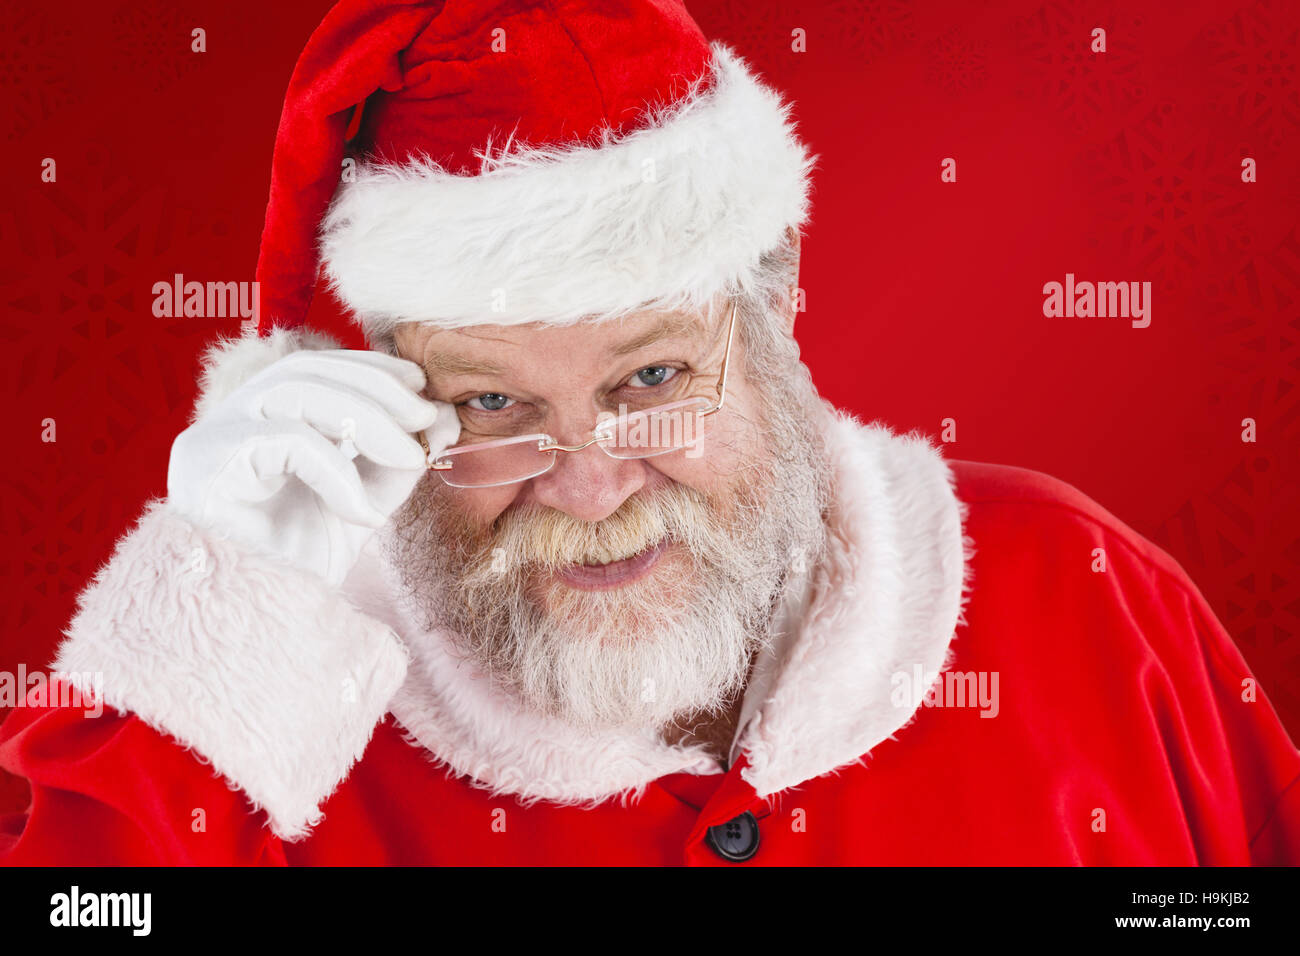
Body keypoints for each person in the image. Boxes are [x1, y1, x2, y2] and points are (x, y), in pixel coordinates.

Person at [2, 0, 1297, 865]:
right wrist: (206, 648)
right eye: (491, 403)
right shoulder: (282, 726)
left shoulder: (1088, 602)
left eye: (652, 376)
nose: (588, 486)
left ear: (780, 299)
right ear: (387, 389)